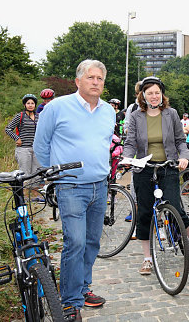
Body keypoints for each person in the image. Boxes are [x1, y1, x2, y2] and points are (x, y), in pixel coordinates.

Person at [34, 60, 115, 321]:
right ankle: (69, 303)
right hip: (70, 185)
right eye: (90, 77)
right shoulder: (57, 107)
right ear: (77, 81)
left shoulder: (108, 112)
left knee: (92, 242)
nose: (95, 82)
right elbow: (41, 145)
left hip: (99, 186)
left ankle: (82, 288)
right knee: (75, 242)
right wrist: (53, 175)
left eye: (100, 79)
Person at [122, 76, 189, 276]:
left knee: (174, 203)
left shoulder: (171, 114)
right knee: (145, 213)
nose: (154, 96)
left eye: (157, 92)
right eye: (149, 93)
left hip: (168, 166)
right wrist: (126, 157)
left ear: (162, 94)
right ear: (143, 96)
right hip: (144, 167)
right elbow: (131, 142)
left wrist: (184, 157)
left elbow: (180, 140)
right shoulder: (136, 116)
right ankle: (147, 258)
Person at [5, 94, 42, 201]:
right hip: (23, 149)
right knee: (25, 172)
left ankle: (35, 196)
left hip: (36, 148)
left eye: (32, 103)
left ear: (35, 105)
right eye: (28, 103)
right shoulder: (20, 116)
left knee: (37, 172)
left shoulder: (38, 116)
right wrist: (17, 138)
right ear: (25, 104)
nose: (30, 105)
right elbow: (8, 129)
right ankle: (24, 196)